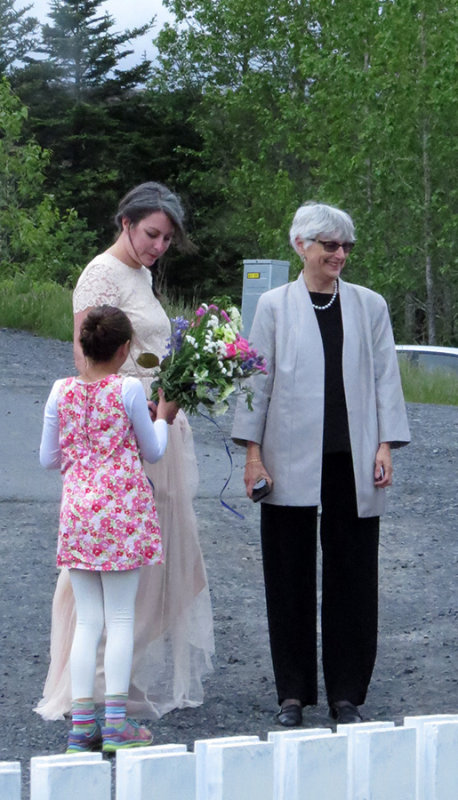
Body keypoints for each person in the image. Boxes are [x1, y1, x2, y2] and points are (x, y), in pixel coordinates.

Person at [35, 182, 214, 723]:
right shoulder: (101, 275)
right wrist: (144, 412)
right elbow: (87, 360)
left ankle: (115, 681)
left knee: (164, 572)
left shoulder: (140, 273)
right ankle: (86, 687)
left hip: (152, 420)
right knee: (115, 576)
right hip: (127, 438)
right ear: (126, 222)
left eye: (166, 238)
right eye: (151, 233)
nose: (158, 245)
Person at [231, 201, 410, 726]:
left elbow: (385, 378)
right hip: (287, 457)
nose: (339, 254)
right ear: (300, 246)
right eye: (329, 244)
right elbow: (255, 383)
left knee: (354, 573)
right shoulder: (273, 306)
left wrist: (384, 445)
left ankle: (347, 692)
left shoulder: (369, 305)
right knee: (287, 572)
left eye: (346, 245)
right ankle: (292, 693)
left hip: (353, 459)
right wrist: (252, 453)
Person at [40, 306, 178, 752]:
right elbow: (153, 450)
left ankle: (83, 725)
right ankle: (117, 725)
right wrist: (165, 417)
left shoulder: (60, 391)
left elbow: (47, 458)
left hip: (78, 514)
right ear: (123, 350)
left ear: (84, 345)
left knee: (88, 621)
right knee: (120, 618)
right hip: (122, 513)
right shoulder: (128, 391)